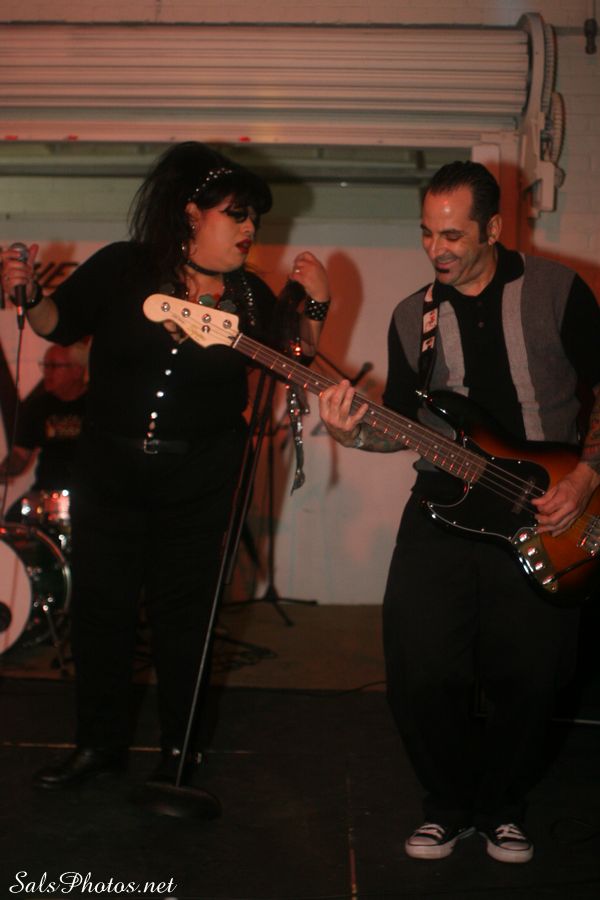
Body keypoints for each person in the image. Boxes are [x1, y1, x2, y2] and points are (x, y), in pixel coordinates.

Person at [0, 141, 330, 788]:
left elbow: (294, 361)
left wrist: (316, 305)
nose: (249, 228)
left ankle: (180, 754)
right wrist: (31, 292)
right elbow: (57, 323)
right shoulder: (126, 266)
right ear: (191, 213)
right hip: (109, 471)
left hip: (199, 477)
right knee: (102, 611)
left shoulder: (250, 295)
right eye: (236, 214)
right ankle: (98, 746)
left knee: (186, 617)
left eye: (254, 218)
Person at [319, 161, 600, 864]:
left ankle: (502, 808)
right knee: (417, 665)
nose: (435, 249)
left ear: (493, 228)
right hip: (443, 507)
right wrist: (352, 433)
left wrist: (588, 476)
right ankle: (447, 807)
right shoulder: (410, 316)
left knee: (531, 676)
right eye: (426, 233)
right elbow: (403, 426)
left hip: (546, 507)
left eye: (452, 235)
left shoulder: (559, 291)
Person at [0, 342, 88, 501]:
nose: (47, 372)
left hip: (90, 496)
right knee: (14, 514)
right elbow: (20, 455)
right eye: (45, 366)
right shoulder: (38, 406)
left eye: (53, 366)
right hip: (47, 492)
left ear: (77, 370)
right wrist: (3, 470)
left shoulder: (99, 405)